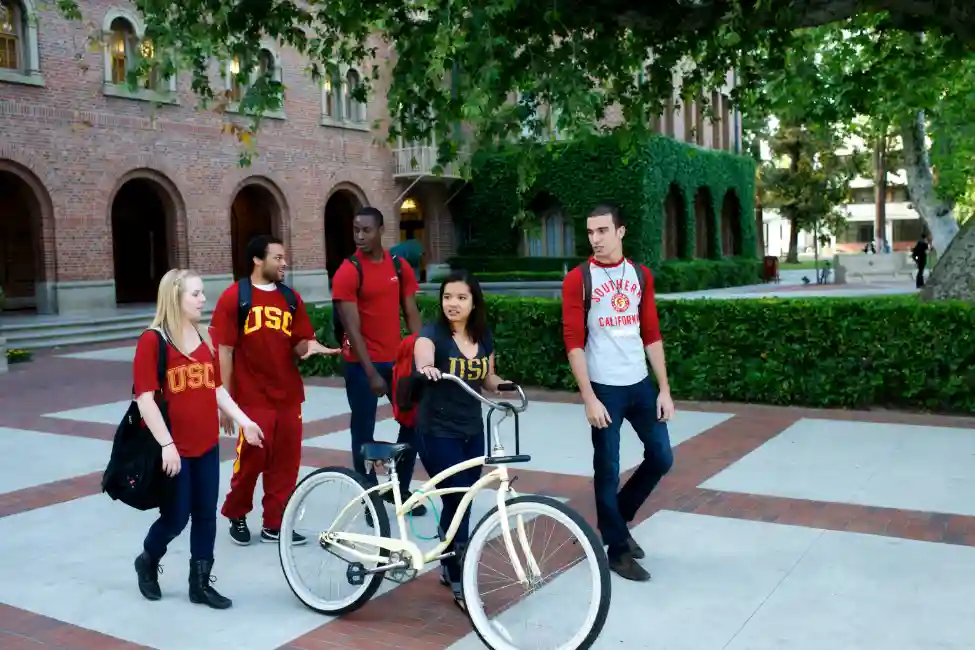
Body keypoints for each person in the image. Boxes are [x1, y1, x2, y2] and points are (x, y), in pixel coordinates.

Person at [132, 268, 262, 609]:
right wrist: (166, 445)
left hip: (206, 445)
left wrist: (245, 421)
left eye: (202, 292)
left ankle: (200, 583)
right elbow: (145, 398)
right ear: (175, 298)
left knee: (205, 515)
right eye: (196, 294)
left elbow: (216, 387)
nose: (204, 299)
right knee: (176, 517)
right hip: (175, 450)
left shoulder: (207, 337)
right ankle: (147, 560)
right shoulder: (153, 340)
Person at [561, 203, 676, 582]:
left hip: (640, 384)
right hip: (604, 388)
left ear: (621, 231)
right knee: (606, 468)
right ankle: (617, 550)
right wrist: (589, 397)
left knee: (661, 456)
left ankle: (617, 520)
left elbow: (652, 333)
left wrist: (664, 389)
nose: (595, 239)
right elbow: (574, 341)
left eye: (602, 231)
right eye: (590, 232)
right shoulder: (579, 279)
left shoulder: (640, 275)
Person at [210, 235, 340, 546]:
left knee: (286, 461)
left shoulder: (290, 298)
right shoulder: (235, 297)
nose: (284, 263)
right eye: (277, 258)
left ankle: (274, 523)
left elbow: (299, 340)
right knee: (252, 458)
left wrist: (310, 347)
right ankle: (236, 512)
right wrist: (226, 404)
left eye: (284, 258)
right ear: (258, 260)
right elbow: (224, 351)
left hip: (288, 395)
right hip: (251, 396)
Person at [413, 269, 512, 611]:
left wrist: (504, 386)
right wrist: (426, 368)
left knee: (462, 501)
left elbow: (487, 376)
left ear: (473, 302)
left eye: (461, 297)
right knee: (459, 499)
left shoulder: (483, 337)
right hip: (436, 431)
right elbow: (422, 354)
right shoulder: (432, 335)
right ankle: (458, 577)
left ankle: (446, 560)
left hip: (472, 431)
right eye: (447, 297)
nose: (452, 304)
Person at [331, 206, 426, 514]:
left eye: (366, 230)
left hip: (397, 362)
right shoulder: (348, 270)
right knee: (363, 432)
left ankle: (400, 491)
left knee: (413, 423)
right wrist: (371, 372)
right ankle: (370, 499)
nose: (360, 236)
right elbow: (351, 328)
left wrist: (424, 354)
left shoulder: (399, 267)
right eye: (356, 230)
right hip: (362, 366)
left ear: (381, 230)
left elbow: (411, 312)